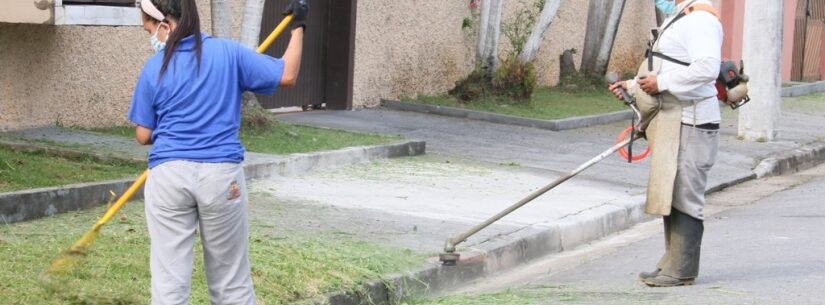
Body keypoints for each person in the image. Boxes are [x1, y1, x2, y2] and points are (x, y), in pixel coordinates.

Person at [128, 0, 307, 303]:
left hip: (168, 178)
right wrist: (298, 25)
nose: (151, 39)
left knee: (169, 284)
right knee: (231, 284)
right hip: (221, 178)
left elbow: (143, 134)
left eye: (149, 29)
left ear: (164, 25)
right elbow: (287, 74)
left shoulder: (153, 68)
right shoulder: (229, 53)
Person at [609, 0, 723, 287]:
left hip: (693, 121)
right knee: (671, 190)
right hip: (674, 119)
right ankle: (671, 261)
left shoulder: (701, 20)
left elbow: (707, 68)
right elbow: (663, 63)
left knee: (685, 192)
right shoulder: (680, 16)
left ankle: (682, 267)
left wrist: (660, 83)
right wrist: (633, 85)